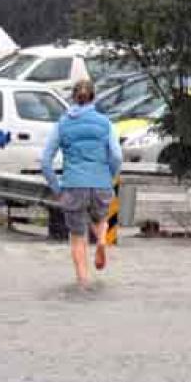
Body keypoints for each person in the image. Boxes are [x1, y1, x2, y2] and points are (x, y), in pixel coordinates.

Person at [41, 79, 123, 287]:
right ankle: (102, 241)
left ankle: (83, 281)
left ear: (73, 99)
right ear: (93, 98)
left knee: (77, 236)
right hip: (101, 183)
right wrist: (109, 176)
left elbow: (45, 161)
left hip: (74, 184)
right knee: (99, 219)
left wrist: (57, 188)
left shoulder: (62, 124)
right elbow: (117, 156)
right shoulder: (106, 123)